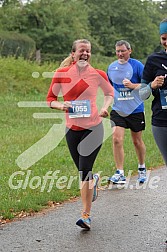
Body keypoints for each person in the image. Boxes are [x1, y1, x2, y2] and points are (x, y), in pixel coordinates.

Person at [46, 39, 114, 230]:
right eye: (82, 51)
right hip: (72, 130)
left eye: (88, 51)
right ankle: (94, 180)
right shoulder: (61, 74)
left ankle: (86, 215)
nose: (85, 54)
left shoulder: (98, 74)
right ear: (73, 53)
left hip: (94, 128)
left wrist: (104, 108)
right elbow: (50, 98)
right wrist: (61, 105)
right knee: (84, 173)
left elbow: (110, 93)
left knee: (84, 172)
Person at [107, 40, 147, 184]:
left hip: (135, 109)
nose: (120, 54)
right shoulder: (111, 67)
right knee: (117, 139)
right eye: (117, 51)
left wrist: (132, 85)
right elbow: (109, 88)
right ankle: (120, 173)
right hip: (118, 109)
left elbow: (146, 86)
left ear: (130, 51)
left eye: (123, 51)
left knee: (137, 141)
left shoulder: (137, 66)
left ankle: (142, 167)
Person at [140, 18, 167, 166]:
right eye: (164, 38)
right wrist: (152, 85)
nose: (166, 42)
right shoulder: (154, 60)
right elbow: (142, 95)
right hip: (161, 121)